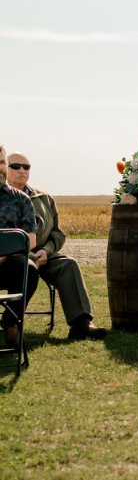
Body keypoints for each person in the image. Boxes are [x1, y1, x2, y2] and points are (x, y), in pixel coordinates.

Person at [6, 153, 107, 340]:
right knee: (24, 268)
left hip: (43, 253)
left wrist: (46, 250)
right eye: (16, 166)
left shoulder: (43, 198)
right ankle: (12, 322)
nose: (22, 170)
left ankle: (81, 324)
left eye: (26, 167)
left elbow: (57, 233)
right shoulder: (5, 198)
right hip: (10, 257)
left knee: (69, 264)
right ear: (4, 167)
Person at [0, 144, 39, 351]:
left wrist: (3, 254)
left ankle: (10, 321)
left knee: (29, 269)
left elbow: (30, 241)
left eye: (1, 162)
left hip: (6, 265)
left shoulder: (21, 199)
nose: (0, 167)